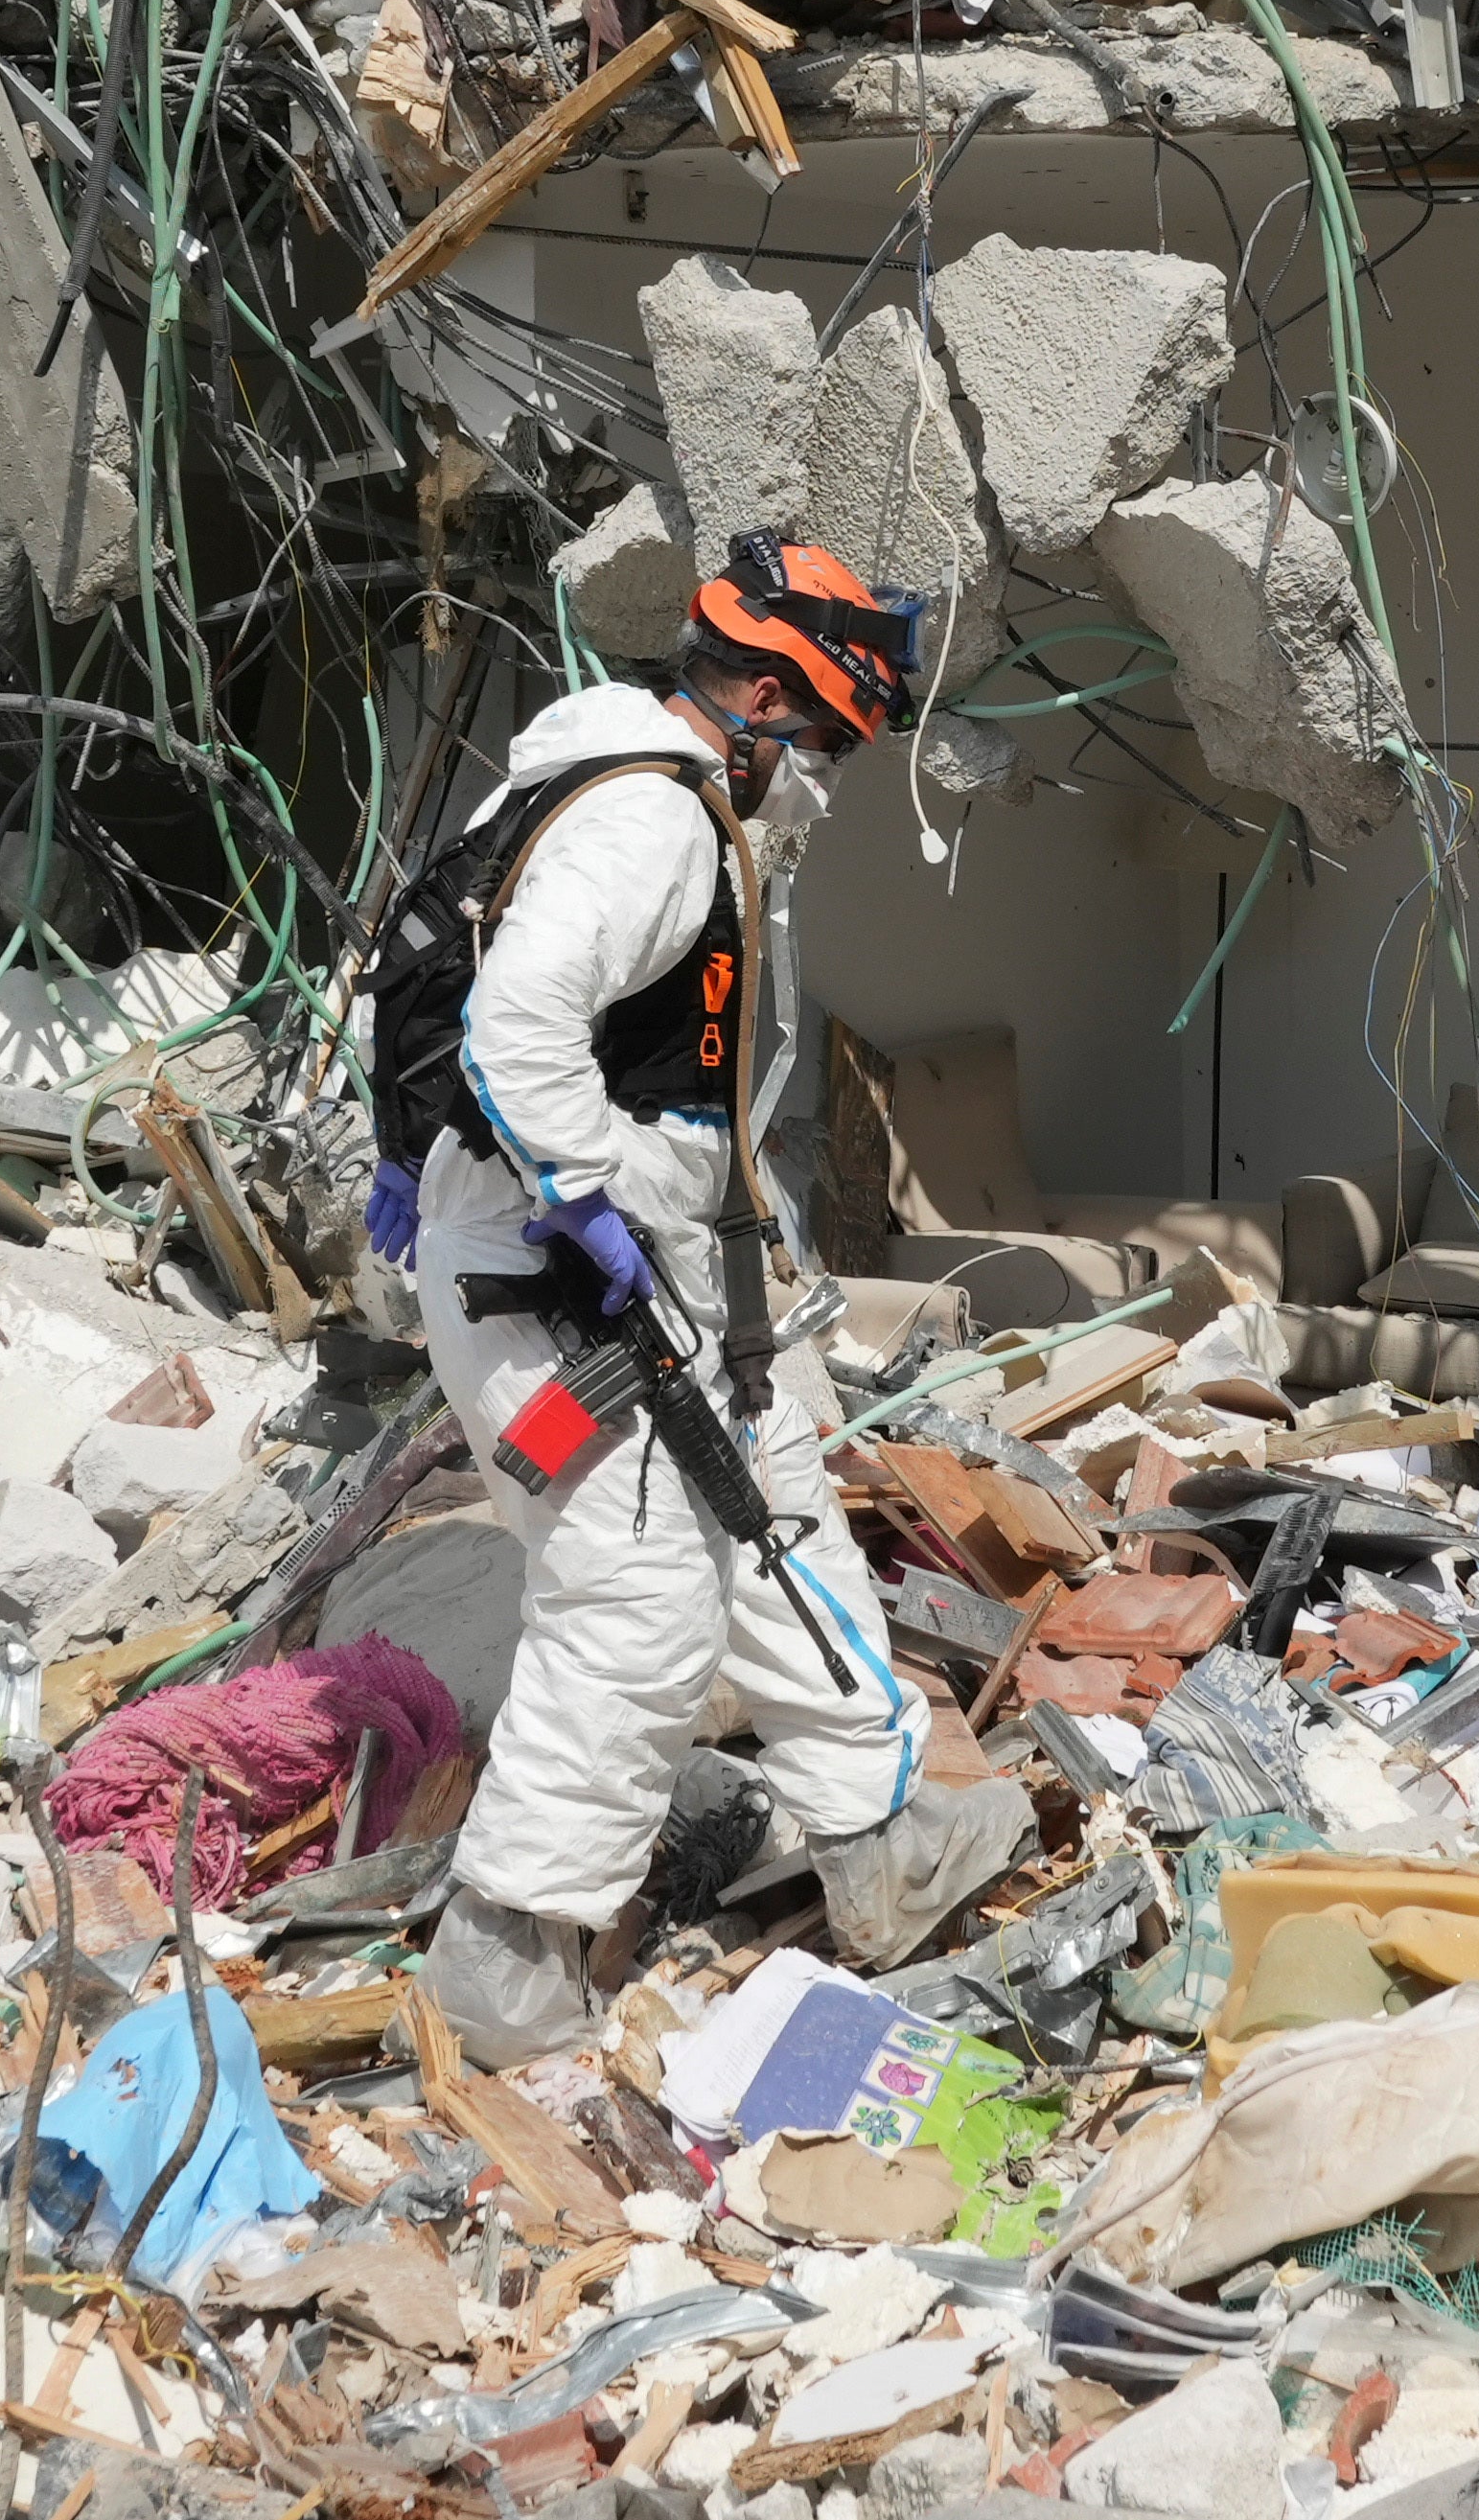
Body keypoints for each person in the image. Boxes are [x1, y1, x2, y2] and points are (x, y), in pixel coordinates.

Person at [370, 529, 1026, 2058]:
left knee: (775, 1510)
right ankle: (506, 1960)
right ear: (779, 704)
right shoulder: (651, 822)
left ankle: (880, 1838)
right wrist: (583, 1209)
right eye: (839, 741)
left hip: (657, 1267)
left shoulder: (605, 787)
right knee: (640, 1597)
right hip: (565, 1288)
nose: (832, 777)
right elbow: (516, 1020)